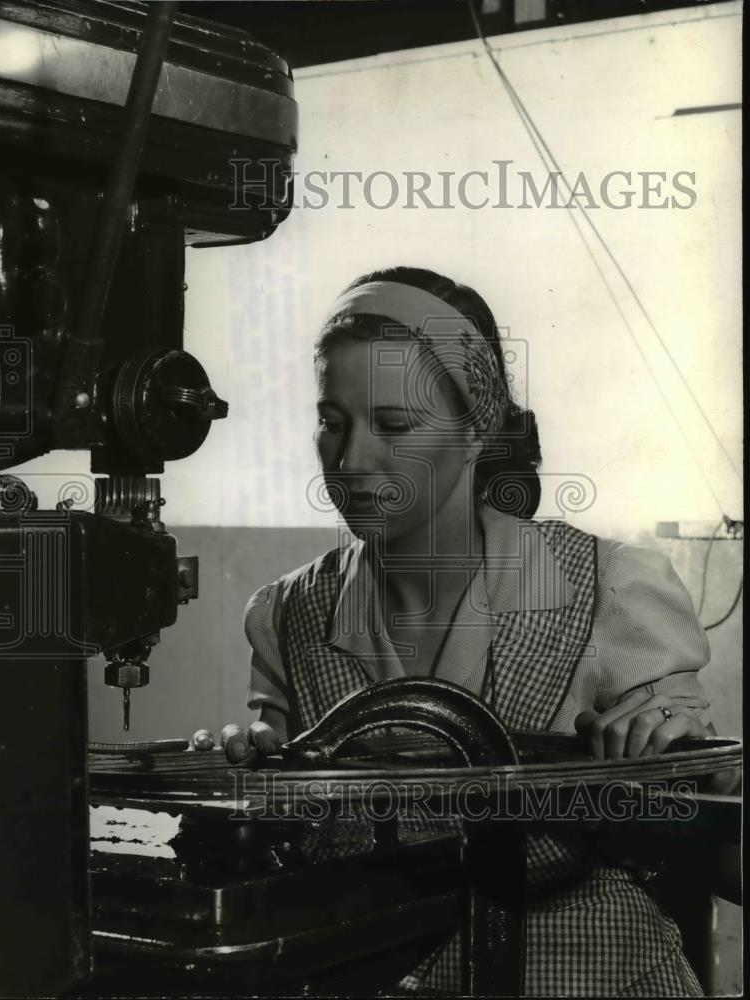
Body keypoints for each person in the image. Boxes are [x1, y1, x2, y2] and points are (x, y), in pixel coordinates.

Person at [221, 266, 737, 997]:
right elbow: (284, 838)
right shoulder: (288, 613)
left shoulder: (609, 588)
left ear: (477, 429)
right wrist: (247, 776)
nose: (350, 461)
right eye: (332, 422)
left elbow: (723, 862)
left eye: (394, 426)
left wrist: (705, 782)